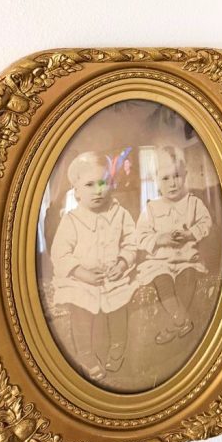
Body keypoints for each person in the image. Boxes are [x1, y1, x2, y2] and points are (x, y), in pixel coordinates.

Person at [50, 151, 137, 381]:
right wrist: (80, 272)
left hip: (112, 276)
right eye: (89, 184)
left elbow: (131, 242)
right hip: (81, 280)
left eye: (103, 183)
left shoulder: (120, 214)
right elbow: (60, 254)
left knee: (120, 303)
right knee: (79, 307)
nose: (98, 190)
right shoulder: (72, 220)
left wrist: (122, 262)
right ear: (76, 192)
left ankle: (118, 345)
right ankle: (86, 354)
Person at [136, 145, 212, 344]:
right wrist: (159, 239)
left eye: (176, 176)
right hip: (161, 262)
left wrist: (190, 234)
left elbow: (206, 223)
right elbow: (140, 236)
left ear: (185, 175)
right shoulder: (151, 208)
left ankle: (172, 325)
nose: (172, 183)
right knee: (163, 282)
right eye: (165, 178)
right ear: (156, 181)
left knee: (187, 278)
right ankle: (181, 320)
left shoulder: (193, 203)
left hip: (186, 259)